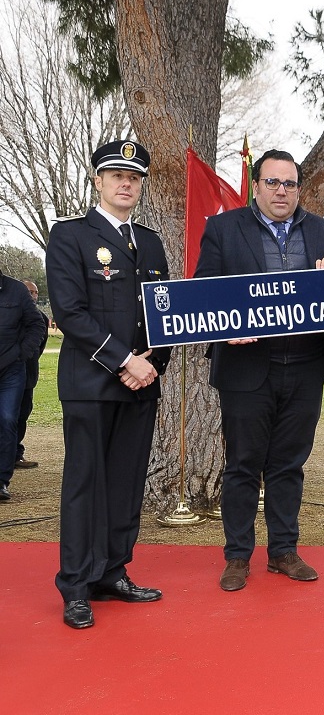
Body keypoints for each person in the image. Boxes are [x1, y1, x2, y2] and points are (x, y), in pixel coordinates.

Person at [194, 148, 324, 592]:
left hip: (304, 366)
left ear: (300, 188)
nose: (282, 191)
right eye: (273, 182)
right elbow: (205, 290)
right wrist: (225, 327)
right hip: (246, 368)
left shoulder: (322, 230)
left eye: (291, 183)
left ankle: (283, 551)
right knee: (242, 465)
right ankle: (237, 556)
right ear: (256, 186)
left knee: (288, 465)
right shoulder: (222, 229)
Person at [46, 140, 171, 629]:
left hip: (141, 383)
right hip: (90, 383)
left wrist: (150, 361)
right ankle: (76, 585)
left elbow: (164, 314)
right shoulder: (71, 236)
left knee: (124, 484)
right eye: (116, 174)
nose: (126, 182)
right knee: (85, 486)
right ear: (97, 180)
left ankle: (112, 572)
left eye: (134, 177)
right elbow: (69, 313)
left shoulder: (152, 241)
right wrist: (125, 360)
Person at [0, 273, 46, 502]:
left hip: (10, 369)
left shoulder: (17, 290)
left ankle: (1, 481)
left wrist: (22, 353)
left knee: (8, 419)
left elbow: (37, 323)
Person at [15, 280, 49, 470]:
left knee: (22, 415)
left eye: (35, 292)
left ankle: (15, 455)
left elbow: (40, 345)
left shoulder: (41, 319)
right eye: (29, 291)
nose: (33, 295)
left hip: (28, 376)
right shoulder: (9, 314)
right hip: (7, 373)